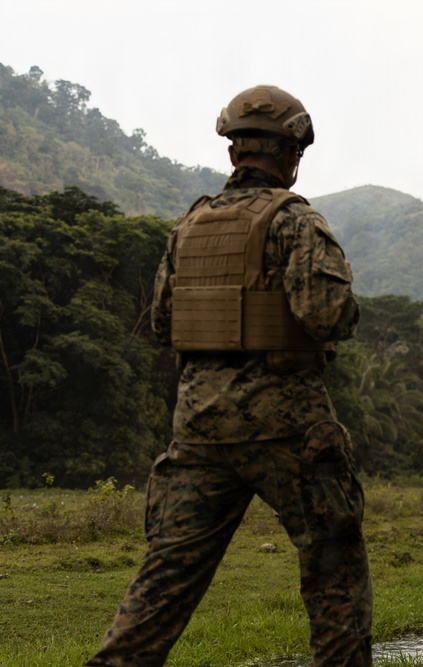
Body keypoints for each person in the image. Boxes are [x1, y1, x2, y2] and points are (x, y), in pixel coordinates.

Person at [86, 85, 373, 667]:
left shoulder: (189, 226)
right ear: (292, 152)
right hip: (286, 425)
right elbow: (327, 315)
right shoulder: (295, 220)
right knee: (333, 566)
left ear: (234, 152)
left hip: (198, 427)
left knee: (165, 580)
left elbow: (165, 323)